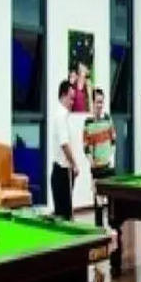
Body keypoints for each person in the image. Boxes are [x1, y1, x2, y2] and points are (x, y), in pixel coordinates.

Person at [83, 88, 117, 227]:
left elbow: (113, 140)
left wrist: (110, 156)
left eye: (101, 102)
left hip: (108, 166)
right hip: (96, 168)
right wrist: (91, 160)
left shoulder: (108, 119)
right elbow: (86, 146)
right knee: (98, 201)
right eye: (97, 102)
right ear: (92, 103)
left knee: (111, 201)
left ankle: (113, 227)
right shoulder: (88, 123)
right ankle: (99, 229)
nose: (99, 105)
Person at [51, 80, 79, 220]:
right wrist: (75, 164)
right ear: (63, 95)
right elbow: (64, 144)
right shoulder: (61, 116)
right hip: (63, 172)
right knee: (65, 216)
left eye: (73, 99)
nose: (72, 102)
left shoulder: (63, 115)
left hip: (61, 171)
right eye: (70, 98)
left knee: (64, 214)